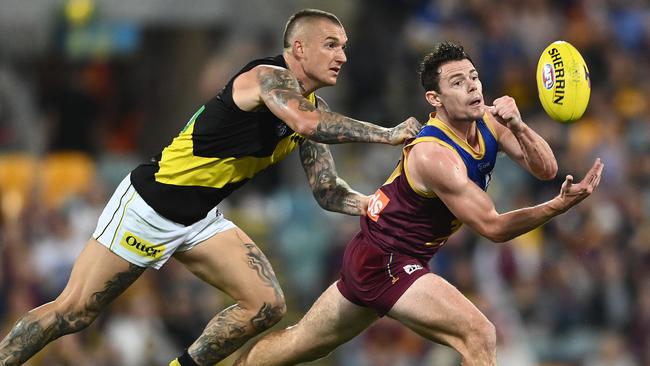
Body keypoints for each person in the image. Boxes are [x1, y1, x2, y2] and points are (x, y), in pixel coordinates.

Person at [0, 9, 422, 366]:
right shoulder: (265, 78)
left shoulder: (312, 110)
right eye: (331, 45)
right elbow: (309, 125)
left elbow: (328, 191)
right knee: (73, 313)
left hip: (200, 219)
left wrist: (375, 204)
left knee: (266, 305)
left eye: (344, 46)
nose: (343, 56)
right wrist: (388, 135)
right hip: (150, 207)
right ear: (299, 49)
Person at [233, 41, 604, 366]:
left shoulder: (490, 120)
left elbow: (546, 169)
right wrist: (557, 206)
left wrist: (520, 127)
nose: (472, 87)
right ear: (435, 99)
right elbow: (493, 227)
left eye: (473, 77)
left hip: (377, 253)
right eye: (457, 83)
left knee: (303, 344)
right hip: (387, 261)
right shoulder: (433, 154)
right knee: (479, 334)